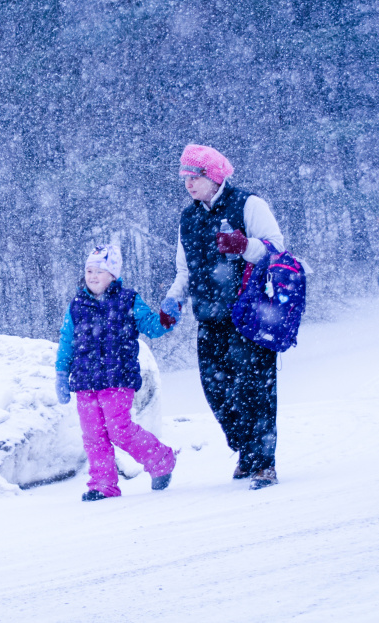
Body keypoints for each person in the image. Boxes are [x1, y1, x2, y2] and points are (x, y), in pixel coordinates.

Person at [159, 144, 285, 490]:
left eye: (195, 176)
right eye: (184, 177)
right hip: (209, 316)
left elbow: (277, 253)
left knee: (255, 388)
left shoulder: (248, 204)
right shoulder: (189, 217)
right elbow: (184, 269)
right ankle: (246, 449)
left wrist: (245, 246)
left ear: (214, 176)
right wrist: (173, 300)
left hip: (250, 312)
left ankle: (263, 463)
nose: (188, 183)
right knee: (216, 389)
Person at [56, 244, 177, 502]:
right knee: (93, 436)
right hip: (85, 383)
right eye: (89, 270)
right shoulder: (76, 305)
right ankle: (103, 484)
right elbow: (67, 341)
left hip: (117, 379)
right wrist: (60, 373)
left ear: (113, 275)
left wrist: (167, 318)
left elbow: (152, 327)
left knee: (119, 430)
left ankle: (161, 459)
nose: (92, 276)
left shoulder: (128, 300)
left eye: (99, 270)